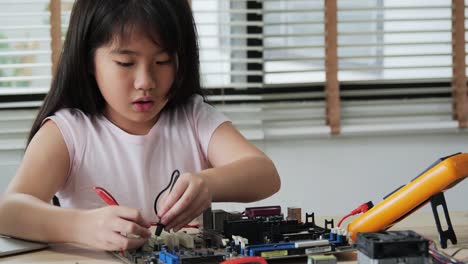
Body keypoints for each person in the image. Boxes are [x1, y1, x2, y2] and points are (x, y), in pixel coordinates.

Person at [0, 0, 280, 251]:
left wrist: (208, 183)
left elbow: (265, 174)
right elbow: (8, 211)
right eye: (125, 63)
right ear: (88, 61)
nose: (145, 81)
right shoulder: (69, 132)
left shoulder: (193, 118)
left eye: (162, 61)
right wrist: (80, 226)